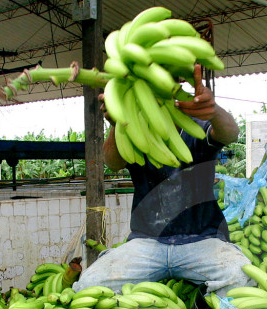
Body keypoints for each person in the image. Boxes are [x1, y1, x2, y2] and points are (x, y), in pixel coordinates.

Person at [74, 64, 253, 297]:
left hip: (201, 241)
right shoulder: (134, 132)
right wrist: (116, 124)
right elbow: (113, 162)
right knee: (89, 286)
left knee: (240, 278)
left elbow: (230, 133)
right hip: (147, 243)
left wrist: (213, 110)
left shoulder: (196, 128)